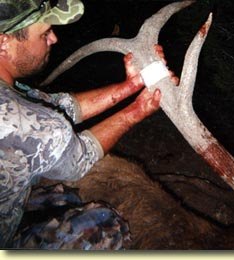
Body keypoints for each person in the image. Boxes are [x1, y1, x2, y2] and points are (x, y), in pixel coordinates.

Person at [0, 0, 178, 248]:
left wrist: (133, 85)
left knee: (65, 197)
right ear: (3, 43)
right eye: (44, 33)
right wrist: (138, 110)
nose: (54, 39)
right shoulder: (16, 118)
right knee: (105, 227)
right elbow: (77, 159)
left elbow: (61, 106)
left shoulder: (9, 95)